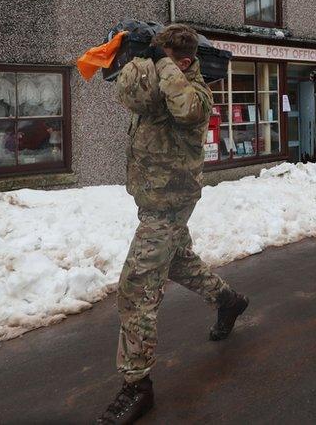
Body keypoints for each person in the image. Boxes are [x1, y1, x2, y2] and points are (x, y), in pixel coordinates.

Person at [98, 24, 249, 424]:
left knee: (136, 288)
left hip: (170, 204)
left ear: (183, 62)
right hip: (151, 200)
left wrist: (166, 63)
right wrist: (140, 59)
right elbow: (127, 95)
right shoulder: (159, 90)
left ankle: (137, 386)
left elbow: (186, 110)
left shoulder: (197, 93)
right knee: (181, 263)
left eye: (167, 61)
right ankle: (229, 301)